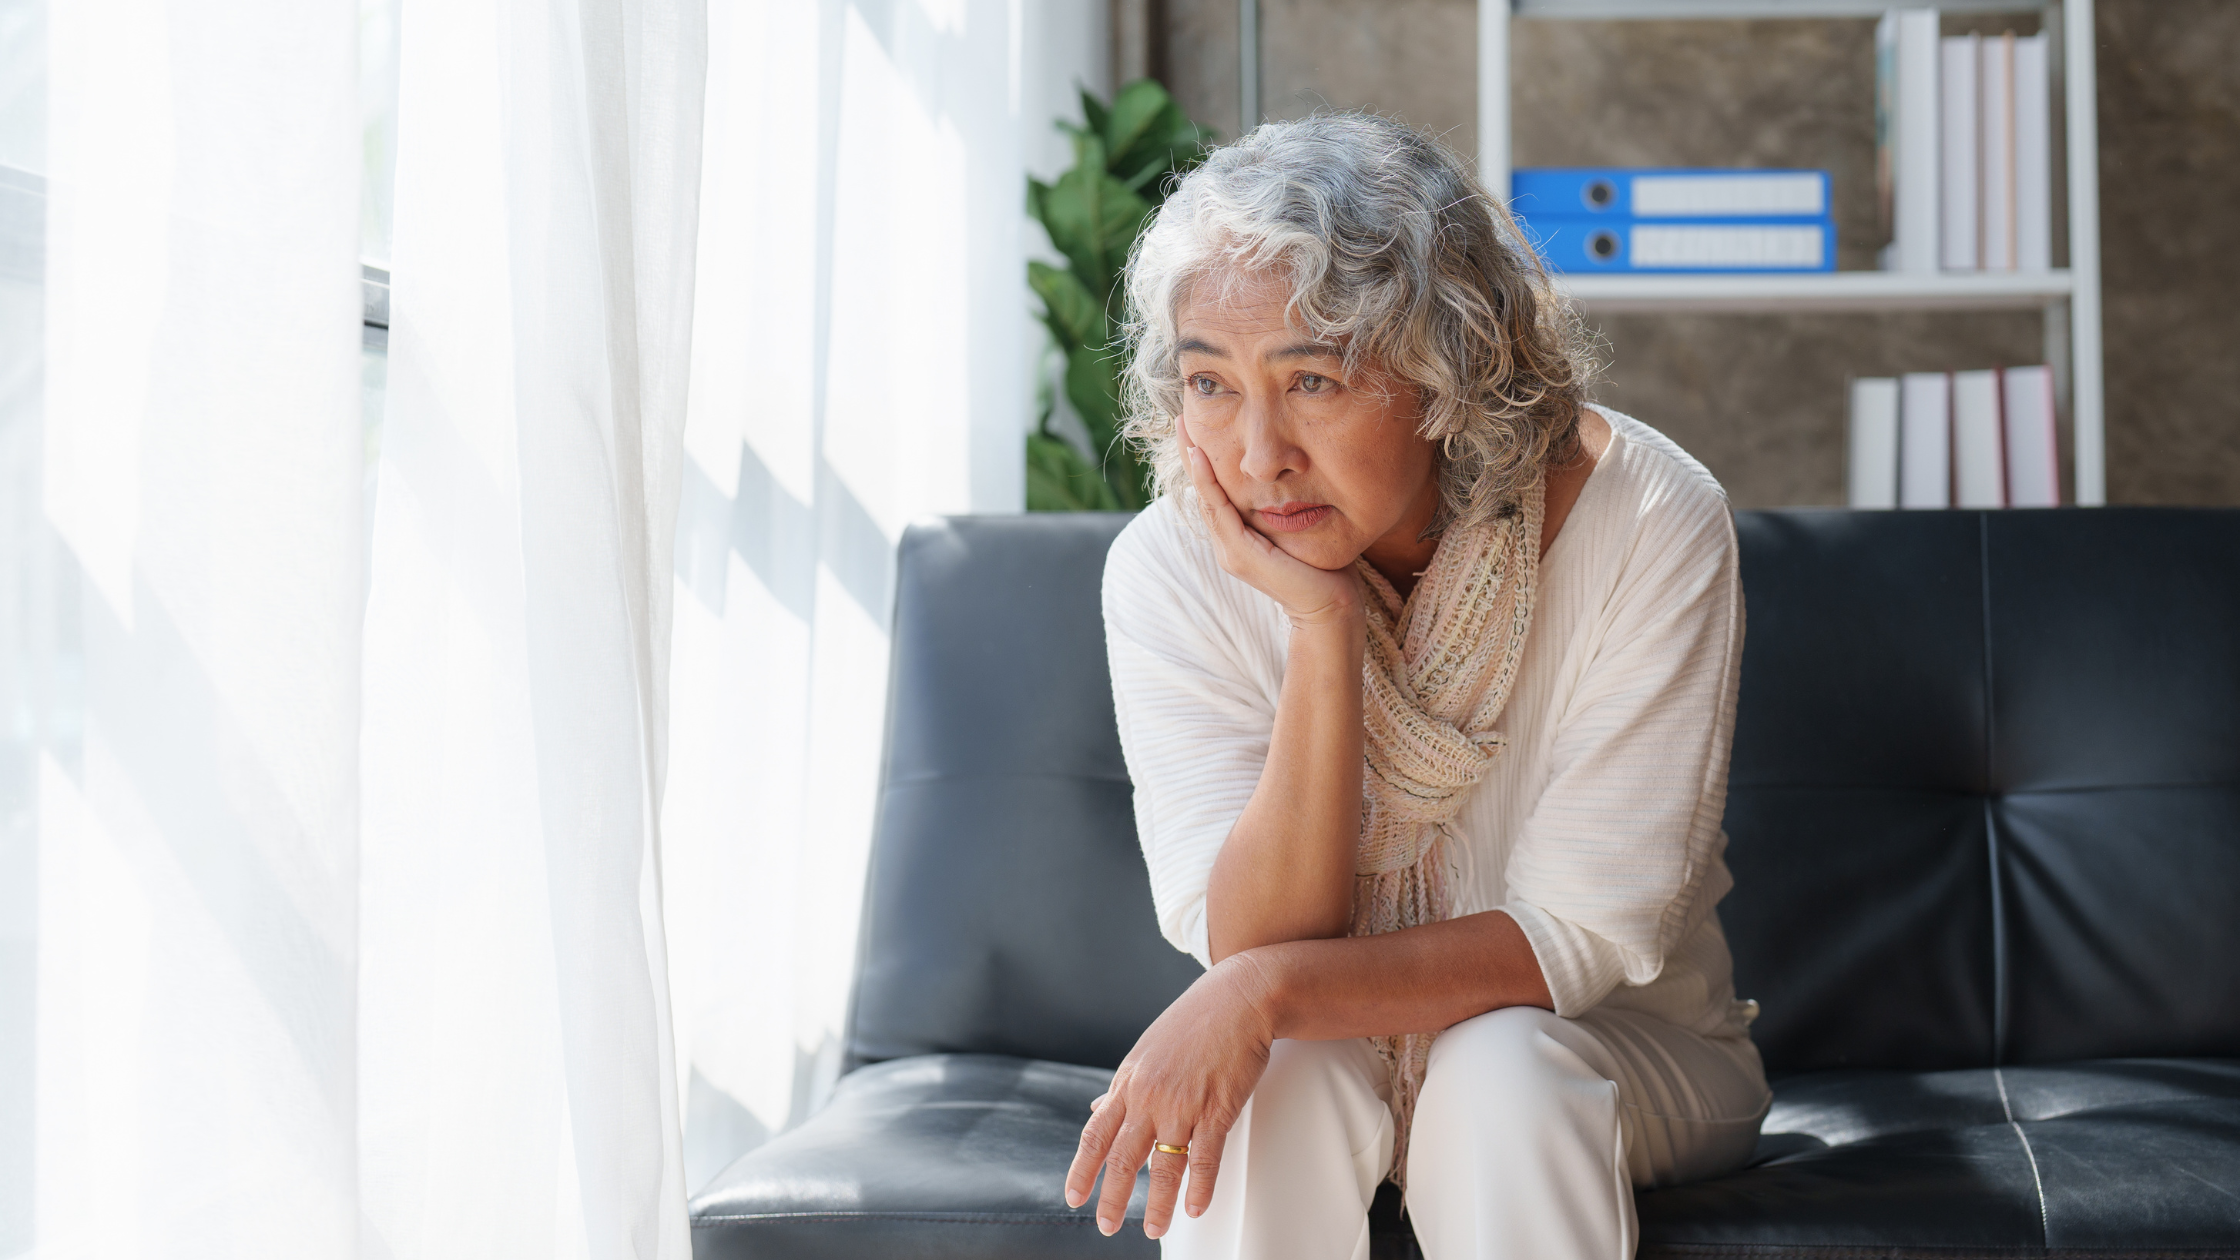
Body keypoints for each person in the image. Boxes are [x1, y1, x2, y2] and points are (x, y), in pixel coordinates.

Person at [1063, 114, 1771, 1260]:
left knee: (1497, 1068)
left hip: (1612, 1047)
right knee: (1273, 1080)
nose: (1255, 455)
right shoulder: (1169, 569)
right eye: (1209, 384)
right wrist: (1321, 626)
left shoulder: (1649, 517)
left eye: (1311, 379)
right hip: (1324, 1055)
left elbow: (1578, 938)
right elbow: (1249, 941)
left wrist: (1262, 998)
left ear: (1451, 369)